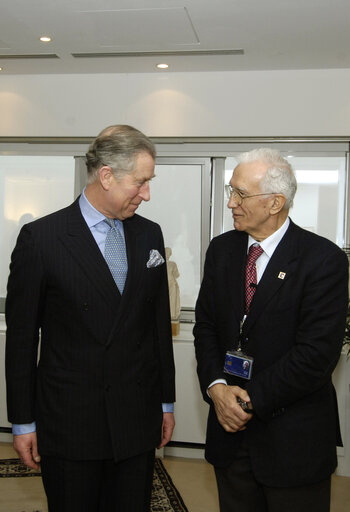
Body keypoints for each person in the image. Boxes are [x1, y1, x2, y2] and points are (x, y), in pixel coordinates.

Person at [5, 124, 176, 512]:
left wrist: (166, 402)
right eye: (141, 182)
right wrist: (22, 421)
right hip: (70, 423)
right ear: (106, 176)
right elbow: (21, 340)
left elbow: (156, 328)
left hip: (135, 420)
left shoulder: (149, 235)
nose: (147, 194)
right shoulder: (42, 238)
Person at [193, 148, 348, 512]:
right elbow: (206, 327)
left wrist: (247, 401)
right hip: (229, 438)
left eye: (240, 194)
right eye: (231, 191)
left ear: (275, 202)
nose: (230, 202)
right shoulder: (221, 250)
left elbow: (315, 357)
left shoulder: (322, 260)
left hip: (293, 442)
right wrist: (217, 388)